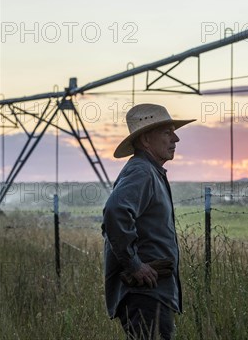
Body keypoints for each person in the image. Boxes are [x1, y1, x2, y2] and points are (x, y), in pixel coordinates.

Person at [102, 103, 195, 339]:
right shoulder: (142, 171)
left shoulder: (149, 171)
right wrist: (134, 264)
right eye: (167, 132)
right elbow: (115, 211)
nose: (175, 139)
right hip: (145, 295)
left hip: (150, 294)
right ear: (145, 140)